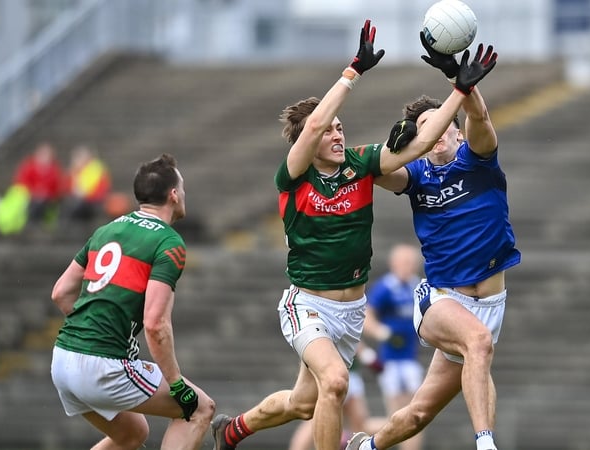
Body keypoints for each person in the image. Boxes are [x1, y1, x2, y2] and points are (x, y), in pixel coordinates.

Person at [211, 19, 498, 450]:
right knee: (335, 382)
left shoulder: (359, 163)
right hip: (306, 303)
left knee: (305, 403)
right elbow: (310, 128)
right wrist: (352, 72)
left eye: (341, 127)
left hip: (351, 311)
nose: (337, 132)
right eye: (330, 129)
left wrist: (460, 91)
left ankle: (232, 430)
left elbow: (418, 147)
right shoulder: (294, 176)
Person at [347, 33, 518, 450]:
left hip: (490, 305)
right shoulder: (416, 176)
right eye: (428, 128)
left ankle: (366, 447)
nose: (438, 133)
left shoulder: (478, 161)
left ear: (457, 134)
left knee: (419, 414)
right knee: (477, 343)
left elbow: (480, 121)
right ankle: (485, 444)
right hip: (441, 299)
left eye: (444, 125)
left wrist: (462, 83)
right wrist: (393, 148)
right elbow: (378, 172)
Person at [49, 153, 215, 450]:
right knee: (199, 409)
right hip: (103, 366)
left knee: (131, 435)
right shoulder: (168, 241)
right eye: (183, 188)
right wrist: (176, 383)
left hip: (62, 359)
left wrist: (91, 330)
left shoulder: (107, 230)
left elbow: (60, 292)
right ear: (174, 195)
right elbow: (155, 324)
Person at [363, 243, 425, 450]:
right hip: (390, 361)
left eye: (411, 262)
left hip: (411, 359)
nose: (408, 266)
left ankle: (358, 431)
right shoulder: (386, 287)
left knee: (415, 415)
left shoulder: (418, 286)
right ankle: (357, 432)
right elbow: (366, 316)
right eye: (404, 262)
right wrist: (384, 333)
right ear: (394, 263)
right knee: (397, 415)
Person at [13, 141, 65, 228]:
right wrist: (34, 191)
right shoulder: (30, 167)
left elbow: (58, 188)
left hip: (48, 200)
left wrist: (46, 193)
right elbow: (21, 182)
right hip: (29, 197)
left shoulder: (54, 170)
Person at [62, 144, 112, 223]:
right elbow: (67, 188)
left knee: (77, 206)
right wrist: (73, 173)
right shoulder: (76, 171)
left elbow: (98, 191)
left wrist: (84, 195)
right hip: (80, 200)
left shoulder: (96, 169)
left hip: (93, 201)